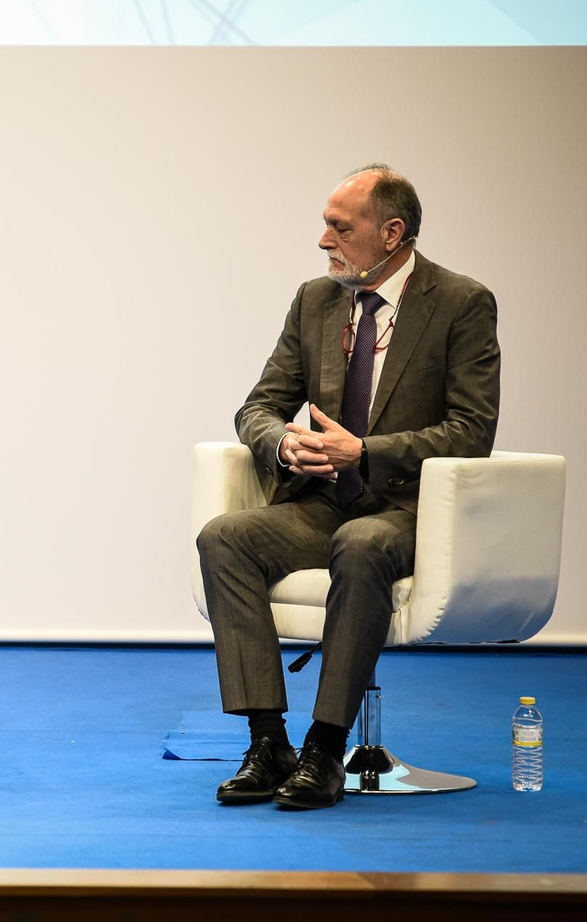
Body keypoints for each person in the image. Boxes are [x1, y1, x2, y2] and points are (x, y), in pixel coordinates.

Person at [197, 164, 499, 809]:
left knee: (361, 542)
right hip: (323, 503)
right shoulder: (316, 300)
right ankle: (268, 742)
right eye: (325, 225)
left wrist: (365, 450)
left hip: (407, 508)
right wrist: (283, 443)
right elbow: (258, 406)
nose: (323, 239)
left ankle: (326, 748)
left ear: (391, 233)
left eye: (340, 227)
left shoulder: (460, 302)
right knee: (225, 537)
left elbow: (472, 430)